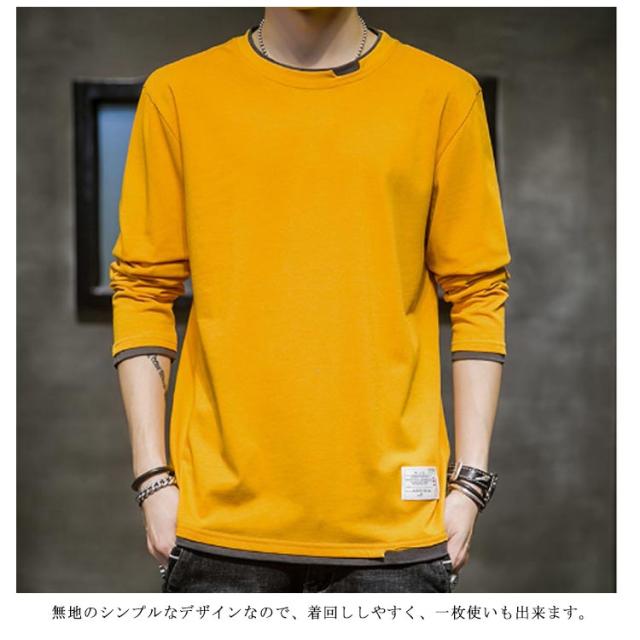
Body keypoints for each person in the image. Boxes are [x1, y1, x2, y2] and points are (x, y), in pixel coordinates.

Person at [110, 7, 511, 593]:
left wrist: (469, 485)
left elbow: (478, 291)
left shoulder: (444, 95)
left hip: (396, 530)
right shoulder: (178, 93)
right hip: (218, 529)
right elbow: (143, 287)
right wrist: (153, 480)